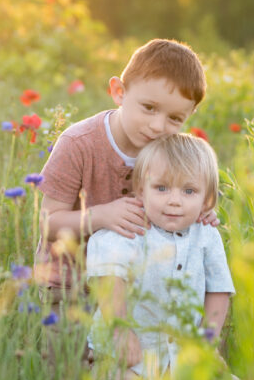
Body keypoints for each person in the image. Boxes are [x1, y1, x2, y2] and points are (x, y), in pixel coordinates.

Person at [34, 39, 215, 306]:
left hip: (135, 286)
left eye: (174, 118)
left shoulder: (173, 155)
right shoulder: (78, 143)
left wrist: (198, 210)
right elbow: (48, 224)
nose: (157, 126)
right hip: (68, 284)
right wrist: (102, 216)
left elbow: (182, 199)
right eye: (149, 108)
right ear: (119, 91)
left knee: (133, 345)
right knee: (72, 348)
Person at [85, 133, 234, 380]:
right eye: (162, 188)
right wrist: (120, 331)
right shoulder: (129, 229)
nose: (174, 201)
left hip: (182, 355)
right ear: (141, 192)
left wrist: (207, 340)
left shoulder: (207, 235)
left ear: (207, 200)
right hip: (127, 353)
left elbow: (219, 290)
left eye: (189, 191)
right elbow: (109, 281)